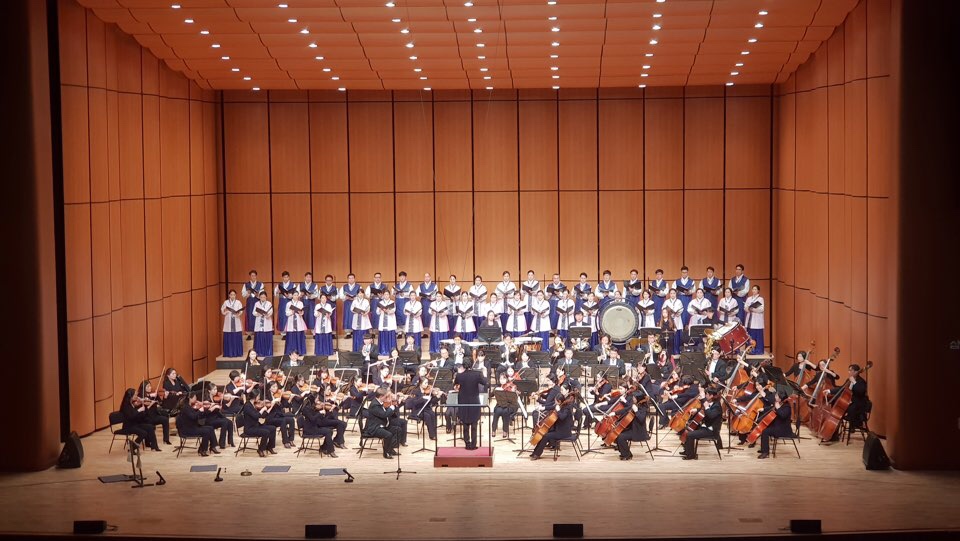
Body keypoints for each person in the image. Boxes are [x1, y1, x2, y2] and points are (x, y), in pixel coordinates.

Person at [530, 384, 576, 460]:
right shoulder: (562, 403)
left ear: (560, 401)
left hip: (564, 432)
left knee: (545, 436)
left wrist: (558, 411)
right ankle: (535, 452)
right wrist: (543, 408)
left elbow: (562, 417)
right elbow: (553, 406)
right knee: (544, 433)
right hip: (559, 428)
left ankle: (537, 454)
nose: (555, 403)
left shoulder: (567, 407)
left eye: (556, 402)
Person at [453, 358, 487, 450]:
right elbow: (485, 382)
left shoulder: (459, 375)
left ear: (463, 366)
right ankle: (473, 444)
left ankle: (467, 443)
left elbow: (455, 384)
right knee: (474, 424)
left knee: (465, 424)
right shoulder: (477, 374)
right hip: (474, 402)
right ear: (472, 364)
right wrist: (484, 373)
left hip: (463, 402)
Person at [681, 388, 723, 460]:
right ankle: (687, 451)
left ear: (711, 396)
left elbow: (711, 415)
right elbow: (704, 410)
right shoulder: (711, 403)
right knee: (688, 428)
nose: (705, 396)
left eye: (706, 394)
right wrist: (696, 410)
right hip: (706, 427)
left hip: (711, 430)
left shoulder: (717, 406)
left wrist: (706, 406)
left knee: (690, 435)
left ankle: (690, 456)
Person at [364, 388, 402, 459]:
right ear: (381, 396)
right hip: (375, 428)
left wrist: (394, 406)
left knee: (397, 430)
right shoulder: (374, 405)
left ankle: (390, 449)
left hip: (382, 426)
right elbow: (384, 415)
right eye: (386, 396)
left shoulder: (379, 403)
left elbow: (386, 413)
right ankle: (386, 453)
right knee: (388, 435)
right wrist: (391, 408)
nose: (387, 398)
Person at [614, 387, 650, 460]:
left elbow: (641, 419)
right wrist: (615, 413)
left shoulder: (643, 408)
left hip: (639, 432)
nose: (633, 399)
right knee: (617, 434)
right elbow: (625, 409)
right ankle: (625, 453)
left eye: (634, 397)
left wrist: (636, 411)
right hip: (633, 428)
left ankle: (626, 455)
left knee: (621, 437)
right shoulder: (635, 405)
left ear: (638, 399)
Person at [757, 390, 794, 459]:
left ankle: (765, 453)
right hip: (778, 426)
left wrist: (778, 408)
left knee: (765, 432)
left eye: (776, 396)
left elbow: (783, 415)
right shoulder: (780, 403)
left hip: (784, 430)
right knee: (764, 428)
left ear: (780, 398)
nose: (775, 397)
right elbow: (771, 408)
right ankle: (764, 449)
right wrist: (763, 409)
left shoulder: (787, 407)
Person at [239, 392, 277, 457]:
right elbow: (256, 416)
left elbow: (262, 416)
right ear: (254, 397)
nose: (259, 398)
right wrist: (262, 410)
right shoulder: (247, 406)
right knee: (266, 432)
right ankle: (261, 449)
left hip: (256, 425)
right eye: (258, 396)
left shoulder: (253, 404)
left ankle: (269, 447)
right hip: (250, 429)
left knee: (273, 428)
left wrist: (268, 409)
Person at [135, 380, 171, 445]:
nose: (150, 388)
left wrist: (165, 397)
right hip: (146, 417)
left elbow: (161, 404)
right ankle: (148, 442)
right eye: (148, 386)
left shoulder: (154, 395)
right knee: (149, 425)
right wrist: (150, 399)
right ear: (143, 388)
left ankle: (166, 439)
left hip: (154, 415)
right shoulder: (140, 396)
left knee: (165, 419)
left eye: (150, 386)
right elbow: (143, 407)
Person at [492, 373, 519, 439]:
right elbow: (491, 395)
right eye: (500, 378)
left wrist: (514, 391)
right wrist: (495, 390)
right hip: (500, 405)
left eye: (504, 378)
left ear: (507, 379)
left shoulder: (512, 386)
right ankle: (493, 430)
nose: (502, 380)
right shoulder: (497, 387)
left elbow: (515, 398)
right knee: (497, 411)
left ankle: (505, 431)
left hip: (510, 405)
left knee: (505, 412)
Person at [241, 270, 264, 339]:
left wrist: (258, 294)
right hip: (250, 302)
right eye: (252, 276)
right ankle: (249, 334)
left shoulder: (260, 284)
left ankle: (257, 333)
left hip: (257, 302)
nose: (253, 277)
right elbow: (243, 295)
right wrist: (248, 293)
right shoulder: (246, 284)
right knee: (249, 317)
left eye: (254, 275)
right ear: (250, 276)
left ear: (256, 276)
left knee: (257, 316)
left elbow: (262, 294)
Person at [221, 289, 244, 357]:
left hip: (236, 319)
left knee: (236, 336)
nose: (232, 296)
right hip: (228, 320)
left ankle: (237, 352)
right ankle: (229, 353)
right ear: (229, 295)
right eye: (231, 295)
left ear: (235, 295)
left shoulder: (238, 302)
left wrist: (238, 314)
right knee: (229, 336)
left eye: (234, 295)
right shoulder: (226, 302)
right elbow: (222, 310)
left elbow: (241, 310)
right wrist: (225, 312)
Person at [284, 289, 307, 355]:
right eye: (294, 295)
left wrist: (301, 313)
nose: (296, 296)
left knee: (299, 335)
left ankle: (300, 351)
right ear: (292, 296)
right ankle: (290, 351)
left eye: (297, 295)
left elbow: (302, 311)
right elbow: (286, 313)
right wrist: (292, 312)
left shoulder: (300, 303)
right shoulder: (289, 303)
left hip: (299, 320)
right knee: (291, 336)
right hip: (291, 321)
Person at [274, 271, 297, 336]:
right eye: (284, 277)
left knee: (289, 316)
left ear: (289, 277)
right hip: (282, 302)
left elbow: (295, 294)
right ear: (282, 277)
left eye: (287, 277)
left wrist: (289, 295)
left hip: (289, 302)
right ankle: (283, 333)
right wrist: (277, 292)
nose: (286, 278)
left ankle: (290, 332)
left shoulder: (293, 285)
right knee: (282, 316)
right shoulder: (279, 285)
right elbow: (275, 295)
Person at [744, 285, 765, 352]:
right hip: (750, 319)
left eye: (755, 289)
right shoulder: (749, 298)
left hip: (757, 320)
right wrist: (748, 309)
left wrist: (753, 309)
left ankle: (758, 350)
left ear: (758, 290)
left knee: (757, 335)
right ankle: (749, 350)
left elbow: (761, 309)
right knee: (750, 335)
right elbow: (745, 307)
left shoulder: (760, 299)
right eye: (753, 289)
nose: (754, 291)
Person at [663, 289, 685, 355]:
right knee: (670, 337)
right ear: (669, 294)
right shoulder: (666, 301)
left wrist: (677, 313)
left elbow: (681, 309)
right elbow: (663, 309)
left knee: (677, 337)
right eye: (671, 293)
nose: (672, 295)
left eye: (674, 293)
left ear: (676, 294)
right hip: (669, 320)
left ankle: (677, 351)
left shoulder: (679, 301)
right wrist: (669, 313)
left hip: (677, 319)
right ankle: (670, 352)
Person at [252, 291, 274, 356]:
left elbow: (271, 311)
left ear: (266, 297)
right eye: (261, 297)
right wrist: (258, 313)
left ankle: (267, 352)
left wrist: (267, 314)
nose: (263, 298)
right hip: (259, 321)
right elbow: (253, 312)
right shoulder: (256, 303)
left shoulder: (269, 303)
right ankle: (259, 352)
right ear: (259, 297)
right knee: (259, 338)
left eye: (264, 297)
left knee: (266, 337)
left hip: (266, 321)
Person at [339, 273, 361, 338]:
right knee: (347, 316)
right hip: (347, 303)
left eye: (352, 278)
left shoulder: (358, 286)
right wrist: (345, 297)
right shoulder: (344, 287)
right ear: (347, 279)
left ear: (354, 279)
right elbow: (340, 295)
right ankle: (348, 333)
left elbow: (361, 295)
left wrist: (355, 298)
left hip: (355, 304)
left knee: (355, 316)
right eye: (349, 278)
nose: (351, 279)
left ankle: (355, 331)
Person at [377, 291, 398, 356]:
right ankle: (382, 351)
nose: (386, 296)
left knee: (390, 335)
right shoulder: (380, 303)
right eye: (385, 294)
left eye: (387, 294)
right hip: (383, 321)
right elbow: (377, 312)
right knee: (383, 335)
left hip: (390, 321)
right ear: (383, 295)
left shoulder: (392, 302)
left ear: (389, 295)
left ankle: (391, 351)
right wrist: (380, 310)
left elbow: (394, 310)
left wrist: (388, 311)